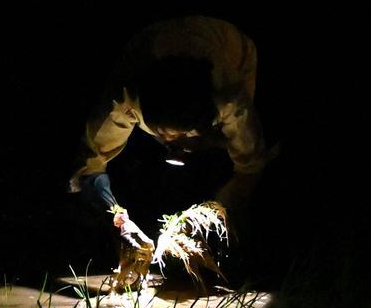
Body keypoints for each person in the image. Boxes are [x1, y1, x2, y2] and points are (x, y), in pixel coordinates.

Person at [69, 16, 271, 248]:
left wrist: (224, 208)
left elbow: (251, 164)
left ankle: (238, 246)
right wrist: (117, 220)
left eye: (180, 136)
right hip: (150, 39)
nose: (172, 143)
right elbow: (87, 165)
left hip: (231, 44)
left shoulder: (230, 100)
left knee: (235, 164)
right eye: (164, 135)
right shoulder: (124, 100)